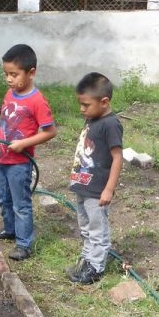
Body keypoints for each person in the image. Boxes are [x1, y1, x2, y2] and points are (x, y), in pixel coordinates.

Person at [0, 44, 56, 261]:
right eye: (6, 74)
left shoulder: (37, 101)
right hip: (1, 158)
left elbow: (50, 131)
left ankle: (24, 244)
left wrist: (24, 143)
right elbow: (4, 121)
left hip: (19, 163)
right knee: (2, 197)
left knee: (21, 204)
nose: (9, 79)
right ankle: (10, 229)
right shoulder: (10, 94)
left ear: (31, 72)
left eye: (14, 74)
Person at [65, 72, 123, 284]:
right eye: (80, 104)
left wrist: (108, 189)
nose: (82, 109)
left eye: (86, 105)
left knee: (97, 228)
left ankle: (96, 267)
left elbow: (117, 158)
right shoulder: (92, 119)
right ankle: (87, 260)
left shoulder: (111, 124)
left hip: (97, 189)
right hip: (83, 184)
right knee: (85, 226)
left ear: (104, 101)